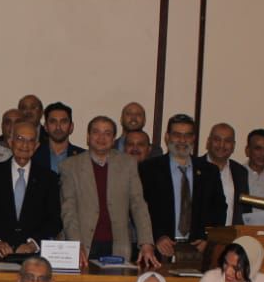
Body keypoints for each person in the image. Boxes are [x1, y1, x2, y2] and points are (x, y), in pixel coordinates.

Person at [59, 116, 158, 268]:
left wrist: (146, 243)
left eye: (107, 133)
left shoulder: (128, 163)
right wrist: (75, 244)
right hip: (82, 245)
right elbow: (68, 209)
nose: (101, 138)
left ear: (113, 140)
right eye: (96, 132)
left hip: (118, 245)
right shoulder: (70, 166)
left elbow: (138, 204)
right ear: (88, 137)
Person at [138, 113, 227, 261]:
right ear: (167, 137)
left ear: (194, 138)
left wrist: (208, 238)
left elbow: (219, 209)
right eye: (177, 135)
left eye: (187, 135)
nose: (182, 140)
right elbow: (140, 209)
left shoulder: (209, 171)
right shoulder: (149, 169)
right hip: (159, 249)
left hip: (199, 250)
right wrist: (156, 236)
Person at [0, 121, 61, 260]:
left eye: (31, 140)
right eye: (20, 139)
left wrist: (33, 244)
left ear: (37, 145)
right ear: (10, 142)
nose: (25, 145)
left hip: (34, 258)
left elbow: (54, 220)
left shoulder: (48, 178)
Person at [195, 123, 248, 226]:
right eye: (217, 139)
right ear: (208, 142)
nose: (221, 145)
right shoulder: (194, 167)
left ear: (233, 146)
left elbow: (244, 211)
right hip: (199, 235)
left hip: (231, 234)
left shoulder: (240, 172)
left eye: (227, 141)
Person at [32, 102, 84, 176]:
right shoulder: (34, 155)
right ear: (45, 127)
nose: (58, 127)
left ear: (71, 127)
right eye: (53, 122)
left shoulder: (83, 157)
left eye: (63, 122)